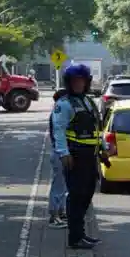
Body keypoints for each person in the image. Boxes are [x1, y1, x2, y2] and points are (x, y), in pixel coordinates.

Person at [51, 64, 106, 249]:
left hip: (90, 156)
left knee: (87, 193)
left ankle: (80, 233)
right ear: (69, 83)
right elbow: (58, 130)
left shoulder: (88, 102)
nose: (78, 84)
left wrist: (103, 149)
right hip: (75, 156)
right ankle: (75, 237)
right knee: (76, 196)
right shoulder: (64, 104)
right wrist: (64, 153)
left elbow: (96, 129)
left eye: (81, 81)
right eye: (75, 81)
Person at [47, 88, 69, 226]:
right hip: (59, 153)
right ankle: (54, 215)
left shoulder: (57, 113)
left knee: (63, 185)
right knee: (59, 185)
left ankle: (60, 211)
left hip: (61, 152)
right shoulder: (57, 114)